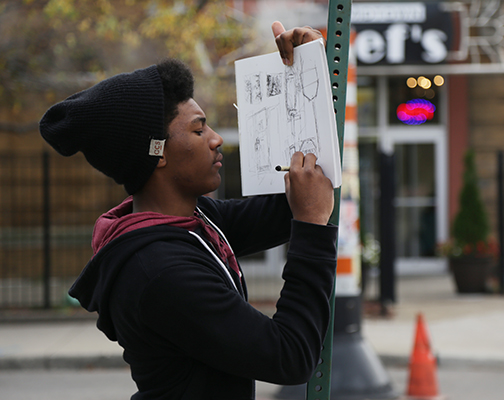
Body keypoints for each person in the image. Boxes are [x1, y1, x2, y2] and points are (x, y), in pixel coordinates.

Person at [39, 22, 338, 399]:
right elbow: (289, 355)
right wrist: (311, 225)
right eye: (198, 131)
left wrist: (308, 72)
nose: (215, 140)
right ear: (157, 152)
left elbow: (298, 197)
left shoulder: (194, 222)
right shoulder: (161, 271)